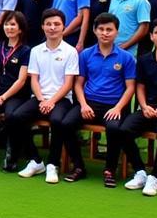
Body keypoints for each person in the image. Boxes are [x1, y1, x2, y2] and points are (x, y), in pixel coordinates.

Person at [58, 12, 136, 186]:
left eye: (109, 29)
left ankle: (109, 170)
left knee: (114, 129)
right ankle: (78, 167)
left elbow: (131, 87)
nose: (105, 33)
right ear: (94, 31)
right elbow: (78, 84)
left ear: (117, 32)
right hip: (89, 104)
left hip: (114, 105)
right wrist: (83, 105)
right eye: (101, 29)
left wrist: (117, 108)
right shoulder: (86, 54)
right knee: (66, 124)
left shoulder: (126, 57)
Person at [24, 9, 80, 184]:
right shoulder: (36, 50)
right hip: (40, 97)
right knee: (15, 117)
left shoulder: (70, 51)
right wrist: (41, 99)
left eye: (56, 24)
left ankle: (52, 164)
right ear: (43, 27)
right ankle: (35, 160)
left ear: (63, 27)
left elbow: (68, 83)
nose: (52, 28)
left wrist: (51, 101)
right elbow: (34, 79)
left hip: (61, 99)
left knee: (57, 122)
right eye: (48, 24)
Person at [120, 18, 157, 196]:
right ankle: (140, 172)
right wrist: (143, 106)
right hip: (147, 109)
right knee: (124, 130)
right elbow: (140, 86)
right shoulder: (144, 60)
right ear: (151, 36)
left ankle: (155, 178)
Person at [0, 12, 32, 173]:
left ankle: (12, 156)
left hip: (16, 95)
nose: (9, 28)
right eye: (7, 24)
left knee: (12, 116)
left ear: (20, 29)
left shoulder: (26, 51)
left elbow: (21, 80)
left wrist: (3, 97)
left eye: (13, 25)